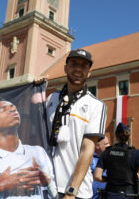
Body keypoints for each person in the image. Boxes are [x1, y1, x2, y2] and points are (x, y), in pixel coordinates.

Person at [45, 48, 107, 199]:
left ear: (89, 72)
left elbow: (88, 149)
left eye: (84, 66)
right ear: (66, 67)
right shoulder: (51, 98)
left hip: (75, 191)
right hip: (46, 185)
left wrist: (72, 191)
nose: (78, 69)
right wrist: (34, 87)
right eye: (74, 63)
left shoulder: (96, 105)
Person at [94, 123, 139, 199]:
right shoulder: (135, 153)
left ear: (116, 137)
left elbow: (97, 176)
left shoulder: (107, 152)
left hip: (110, 194)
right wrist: (135, 181)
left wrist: (109, 179)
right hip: (128, 194)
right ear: (129, 138)